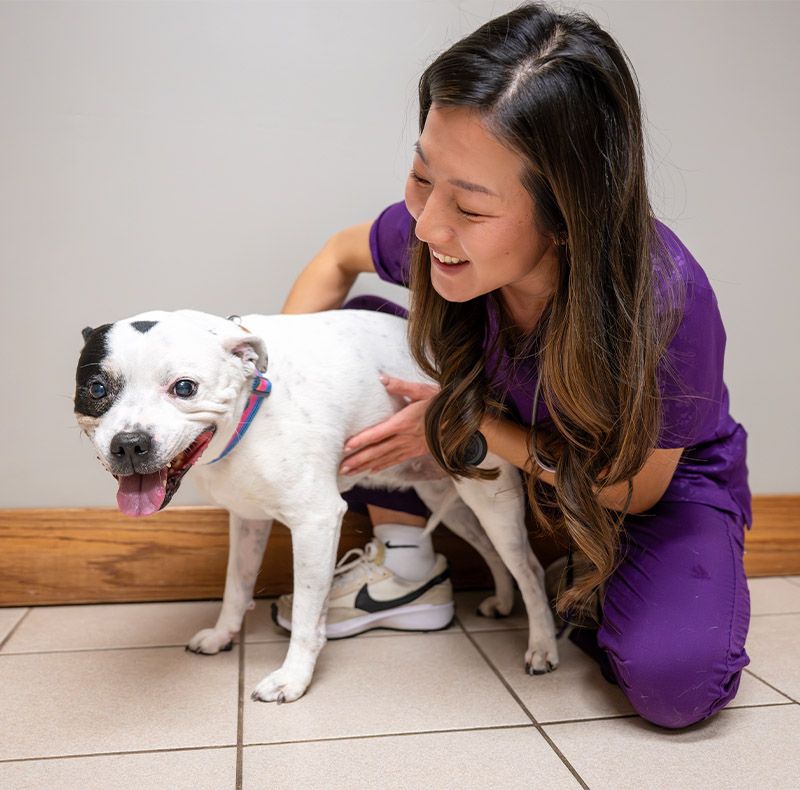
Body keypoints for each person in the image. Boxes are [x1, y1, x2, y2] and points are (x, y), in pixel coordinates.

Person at [278, 2, 750, 730]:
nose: (430, 225)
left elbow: (634, 489)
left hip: (645, 488)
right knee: (356, 339)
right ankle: (408, 563)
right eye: (420, 175)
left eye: (469, 205)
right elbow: (337, 257)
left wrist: (466, 425)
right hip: (515, 450)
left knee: (675, 684)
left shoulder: (666, 303)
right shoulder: (435, 226)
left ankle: (598, 578)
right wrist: (287, 403)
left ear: (567, 216)